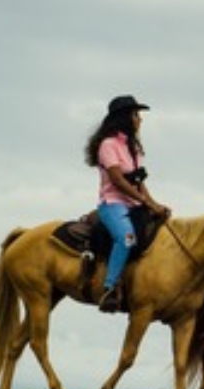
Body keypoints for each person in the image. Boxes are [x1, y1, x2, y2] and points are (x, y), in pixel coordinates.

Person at [85, 94, 171, 313]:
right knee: (127, 238)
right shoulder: (108, 145)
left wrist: (155, 204)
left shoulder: (135, 148)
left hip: (134, 204)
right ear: (124, 118)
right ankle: (109, 288)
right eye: (136, 115)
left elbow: (139, 182)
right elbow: (117, 179)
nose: (139, 119)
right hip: (112, 204)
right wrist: (145, 202)